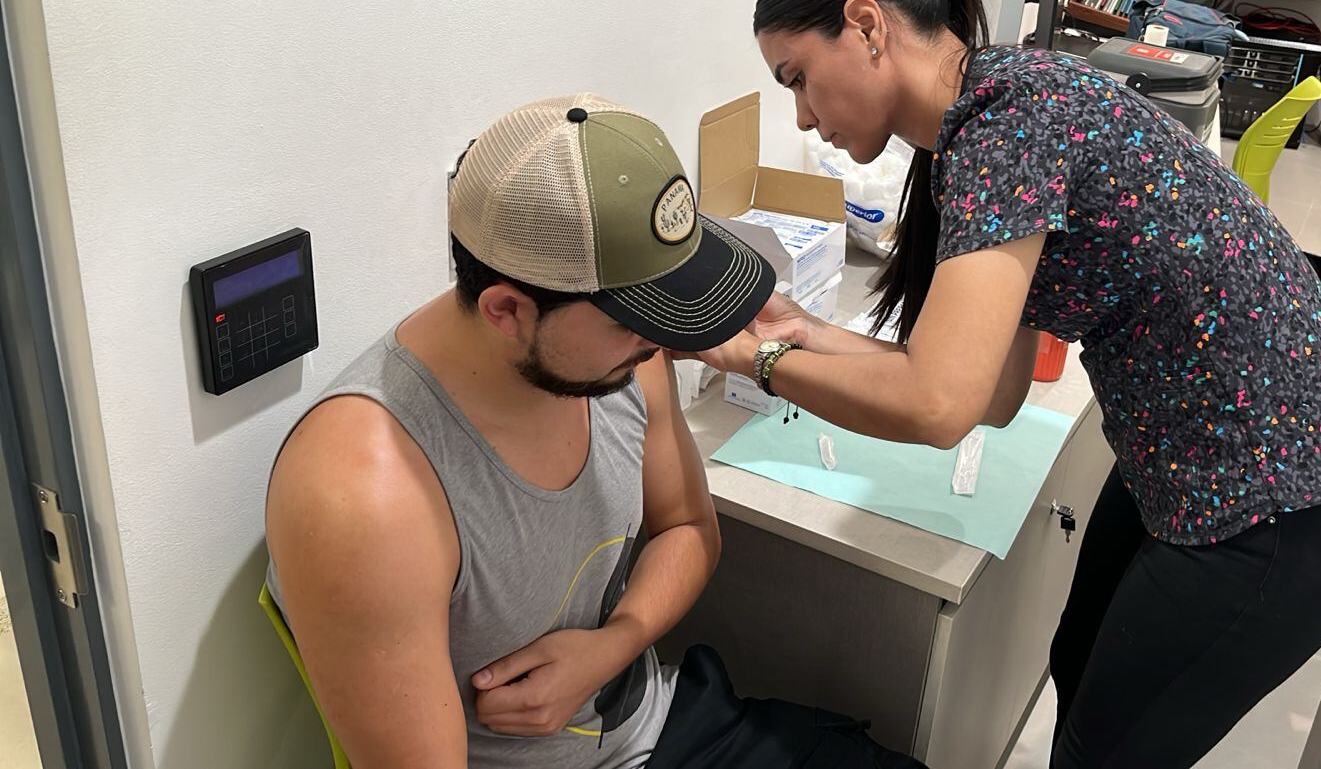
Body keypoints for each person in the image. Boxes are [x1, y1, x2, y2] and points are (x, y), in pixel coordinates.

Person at [686, 0, 1321, 768]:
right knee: (1079, 668)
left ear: (868, 25)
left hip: (1283, 501)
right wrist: (813, 334)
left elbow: (940, 408)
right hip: (1190, 467)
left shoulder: (1005, 126)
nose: (803, 116)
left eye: (798, 79)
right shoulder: (985, 116)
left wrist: (759, 361)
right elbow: (989, 392)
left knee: (1110, 746)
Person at [264, 94, 924, 769]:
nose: (665, 340)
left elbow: (688, 528)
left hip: (661, 721)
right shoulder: (365, 494)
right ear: (506, 310)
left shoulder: (617, 360)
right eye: (633, 320)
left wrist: (613, 645)